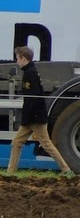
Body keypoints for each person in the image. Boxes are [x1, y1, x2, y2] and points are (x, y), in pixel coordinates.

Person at [7, 45, 73, 176]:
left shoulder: (29, 73)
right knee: (17, 142)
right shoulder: (31, 72)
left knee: (46, 144)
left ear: (24, 58)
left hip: (34, 118)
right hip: (34, 117)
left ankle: (66, 169)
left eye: (18, 58)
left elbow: (33, 97)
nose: (17, 61)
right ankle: (10, 171)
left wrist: (29, 118)